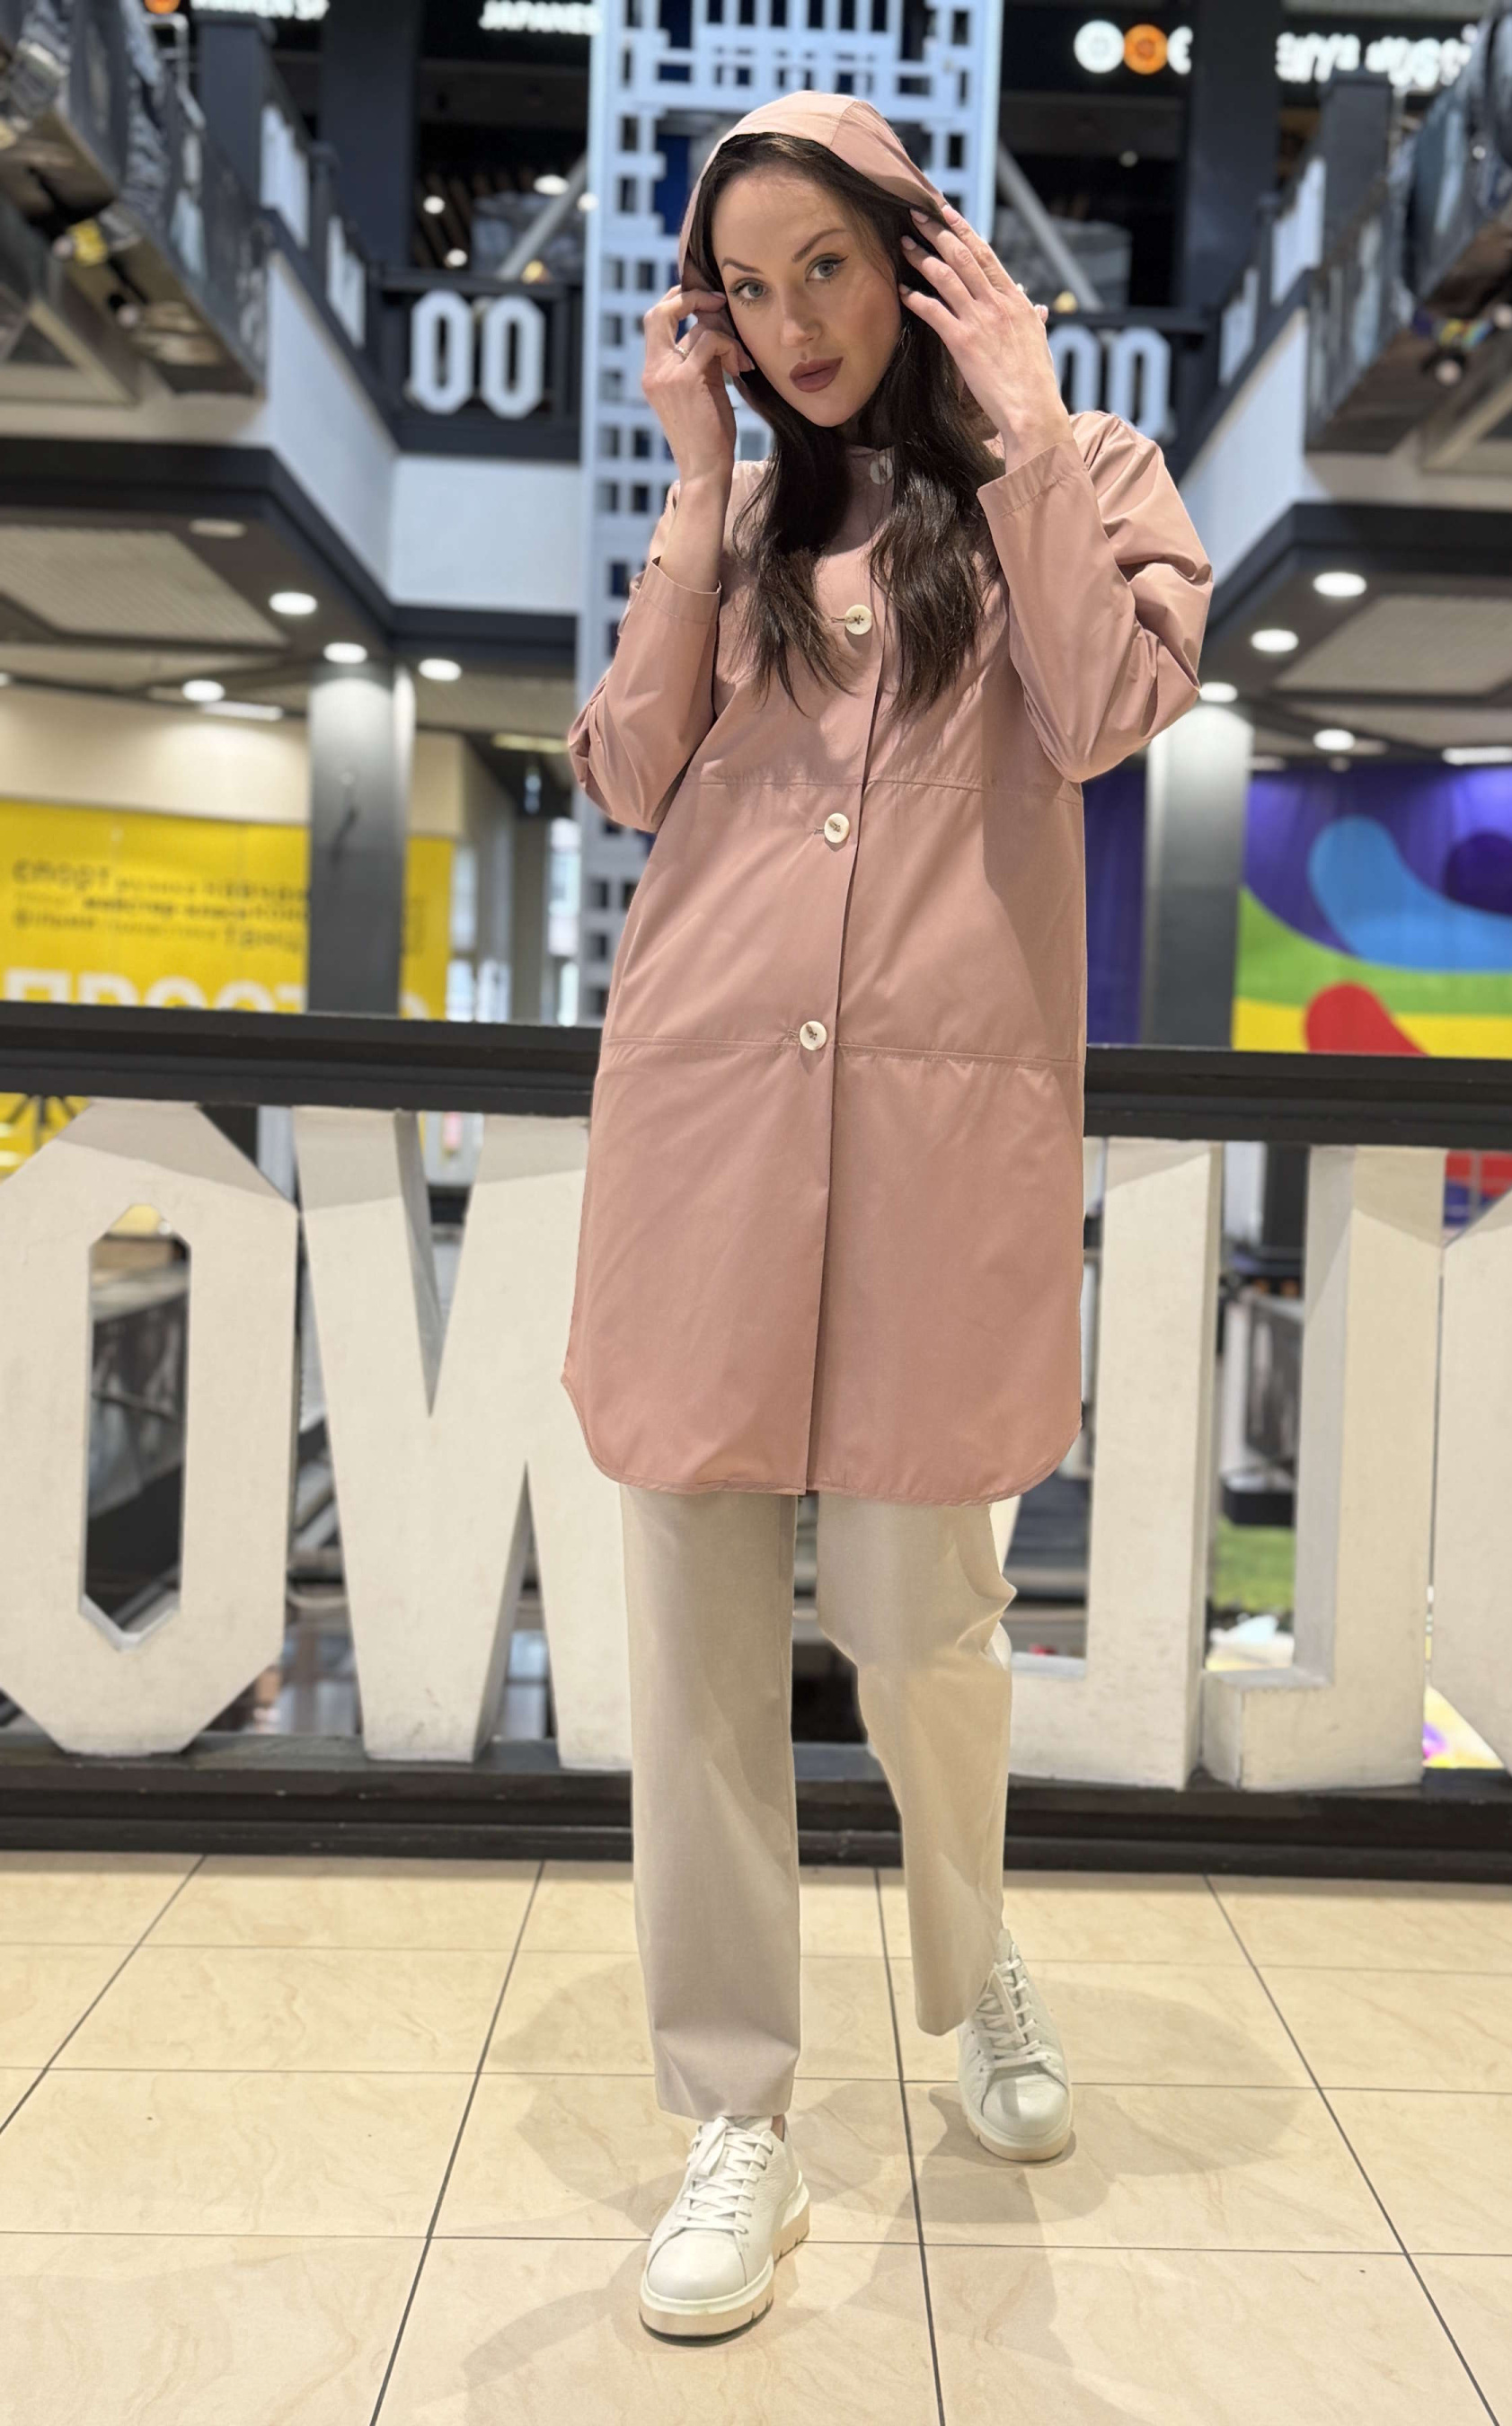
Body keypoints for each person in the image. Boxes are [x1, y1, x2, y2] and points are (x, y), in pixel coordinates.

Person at [563, 90, 1212, 2341]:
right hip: (708, 1143)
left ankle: (971, 1948)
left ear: (919, 258)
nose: (790, 325)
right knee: (696, 1647)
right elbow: (625, 773)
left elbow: (1106, 708)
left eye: (823, 268)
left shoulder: (1084, 474)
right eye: (745, 290)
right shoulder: (737, 529)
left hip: (936, 1157)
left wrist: (1018, 423)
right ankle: (733, 2115)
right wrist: (690, 490)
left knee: (921, 1621)